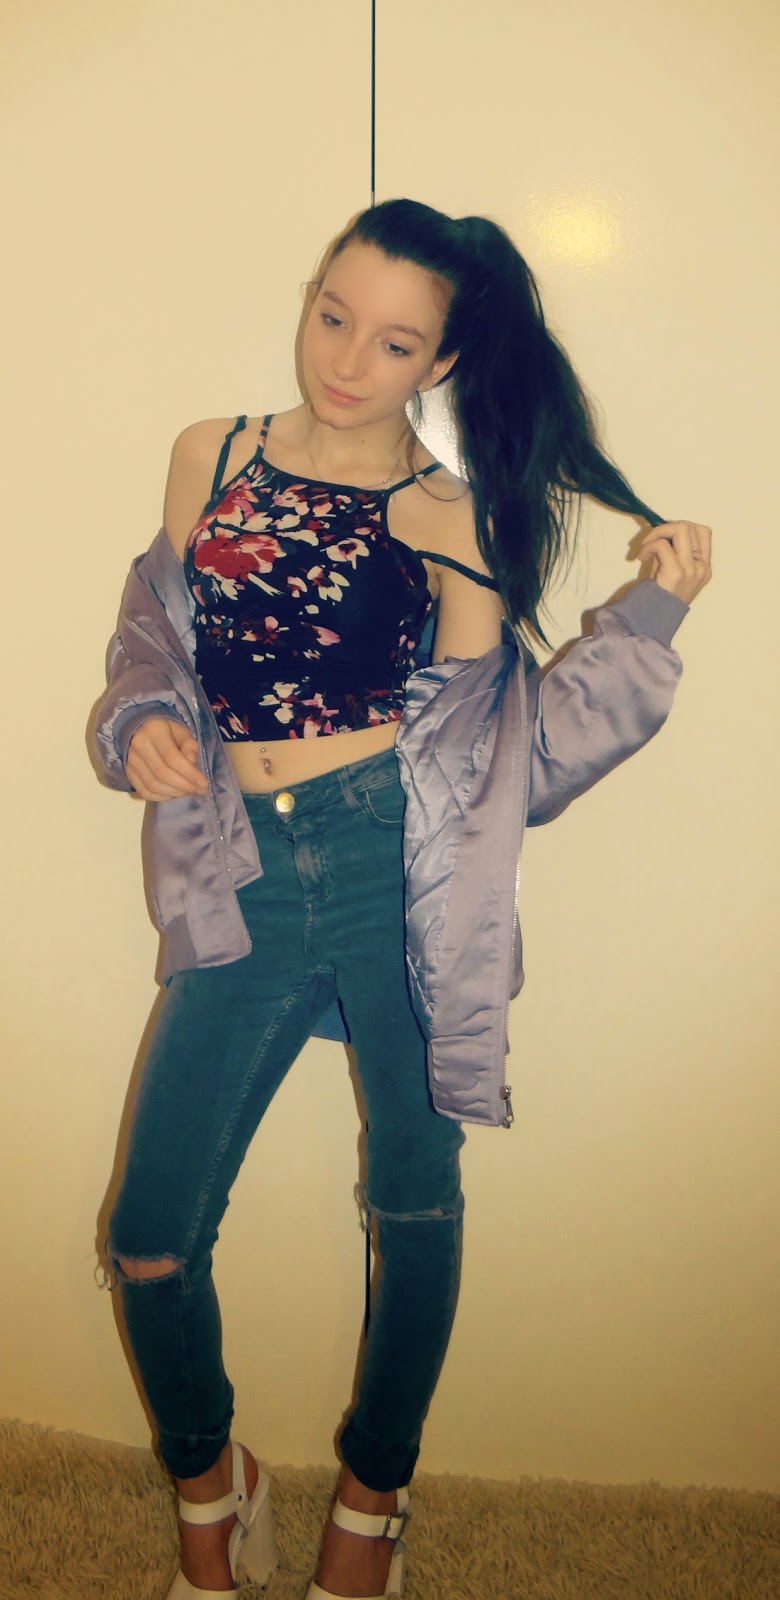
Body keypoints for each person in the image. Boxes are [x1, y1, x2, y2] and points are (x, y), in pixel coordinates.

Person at [91, 197, 712, 1600]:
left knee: (412, 1202)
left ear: (440, 362)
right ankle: (212, 1484)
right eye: (333, 316)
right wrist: (142, 722)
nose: (345, 360)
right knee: (149, 1234)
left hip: (394, 867)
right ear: (311, 295)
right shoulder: (212, 455)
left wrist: (650, 622)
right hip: (243, 870)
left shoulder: (451, 515)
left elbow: (511, 759)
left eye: (392, 343)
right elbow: (154, 640)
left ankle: (373, 1499)